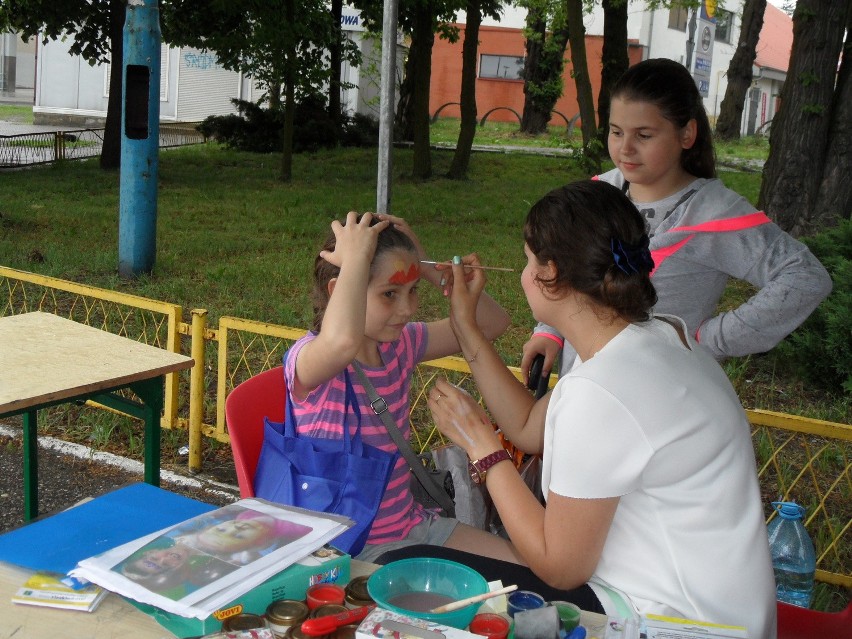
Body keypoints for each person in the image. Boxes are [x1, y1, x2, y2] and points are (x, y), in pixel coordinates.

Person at [381, 181, 776, 638]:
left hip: (671, 622)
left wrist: (482, 448)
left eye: (528, 262)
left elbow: (560, 568)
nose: (523, 274)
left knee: (404, 571)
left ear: (551, 274)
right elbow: (530, 428)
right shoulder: (654, 339)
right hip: (723, 612)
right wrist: (465, 325)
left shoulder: (604, 391)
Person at [522, 57, 832, 382]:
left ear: (686, 134)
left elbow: (806, 277)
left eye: (643, 135)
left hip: (660, 397)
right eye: (616, 132)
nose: (625, 148)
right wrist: (550, 331)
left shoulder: (715, 213)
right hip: (583, 386)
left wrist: (708, 339)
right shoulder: (600, 191)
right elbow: (566, 267)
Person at [279, 211, 518, 564]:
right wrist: (356, 262)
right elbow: (342, 341)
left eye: (413, 291)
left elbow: (492, 323)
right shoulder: (311, 361)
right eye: (390, 294)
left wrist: (428, 269)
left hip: (411, 529)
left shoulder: (399, 344)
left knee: (527, 570)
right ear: (341, 291)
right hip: (347, 552)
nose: (407, 308)